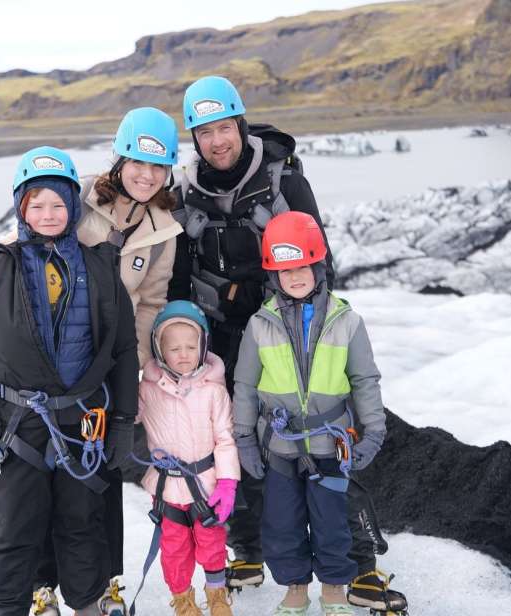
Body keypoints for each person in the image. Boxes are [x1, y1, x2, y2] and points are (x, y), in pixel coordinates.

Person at [167, 75, 405, 612]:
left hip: (289, 325)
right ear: (195, 139)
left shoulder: (282, 179)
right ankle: (248, 545)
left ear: (240, 125)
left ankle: (360, 563)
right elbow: (177, 265)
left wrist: (309, 323)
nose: (216, 141)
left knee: (329, 430)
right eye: (204, 133)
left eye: (224, 128)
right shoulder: (185, 190)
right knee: (238, 436)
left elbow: (315, 253)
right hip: (219, 335)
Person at [0, 109, 183, 615]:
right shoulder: (73, 193)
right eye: (137, 162)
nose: (146, 175)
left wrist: (127, 396)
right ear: (119, 160)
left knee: (85, 513)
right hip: (35, 386)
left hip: (93, 382)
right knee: (23, 516)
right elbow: (10, 247)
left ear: (168, 172)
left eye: (157, 166)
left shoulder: (164, 228)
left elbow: (149, 303)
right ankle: (37, 590)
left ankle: (93, 593)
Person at [232, 211, 385, 616]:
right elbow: (245, 385)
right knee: (281, 523)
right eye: (284, 270)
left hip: (331, 444)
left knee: (332, 522)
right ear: (272, 276)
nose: (294, 276)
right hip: (279, 446)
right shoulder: (259, 324)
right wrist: (244, 437)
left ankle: (334, 588)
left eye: (302, 267)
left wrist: (372, 431)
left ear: (318, 266)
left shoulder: (347, 322)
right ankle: (295, 587)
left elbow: (365, 379)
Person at [132, 301, 239, 616]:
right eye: (174, 347)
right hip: (167, 487)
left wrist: (229, 481)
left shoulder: (214, 391)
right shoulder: (147, 389)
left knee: (212, 543)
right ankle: (183, 600)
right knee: (174, 549)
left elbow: (225, 438)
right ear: (159, 349)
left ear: (203, 346)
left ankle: (217, 595)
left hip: (206, 484)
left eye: (190, 346)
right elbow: (128, 415)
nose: (183, 353)